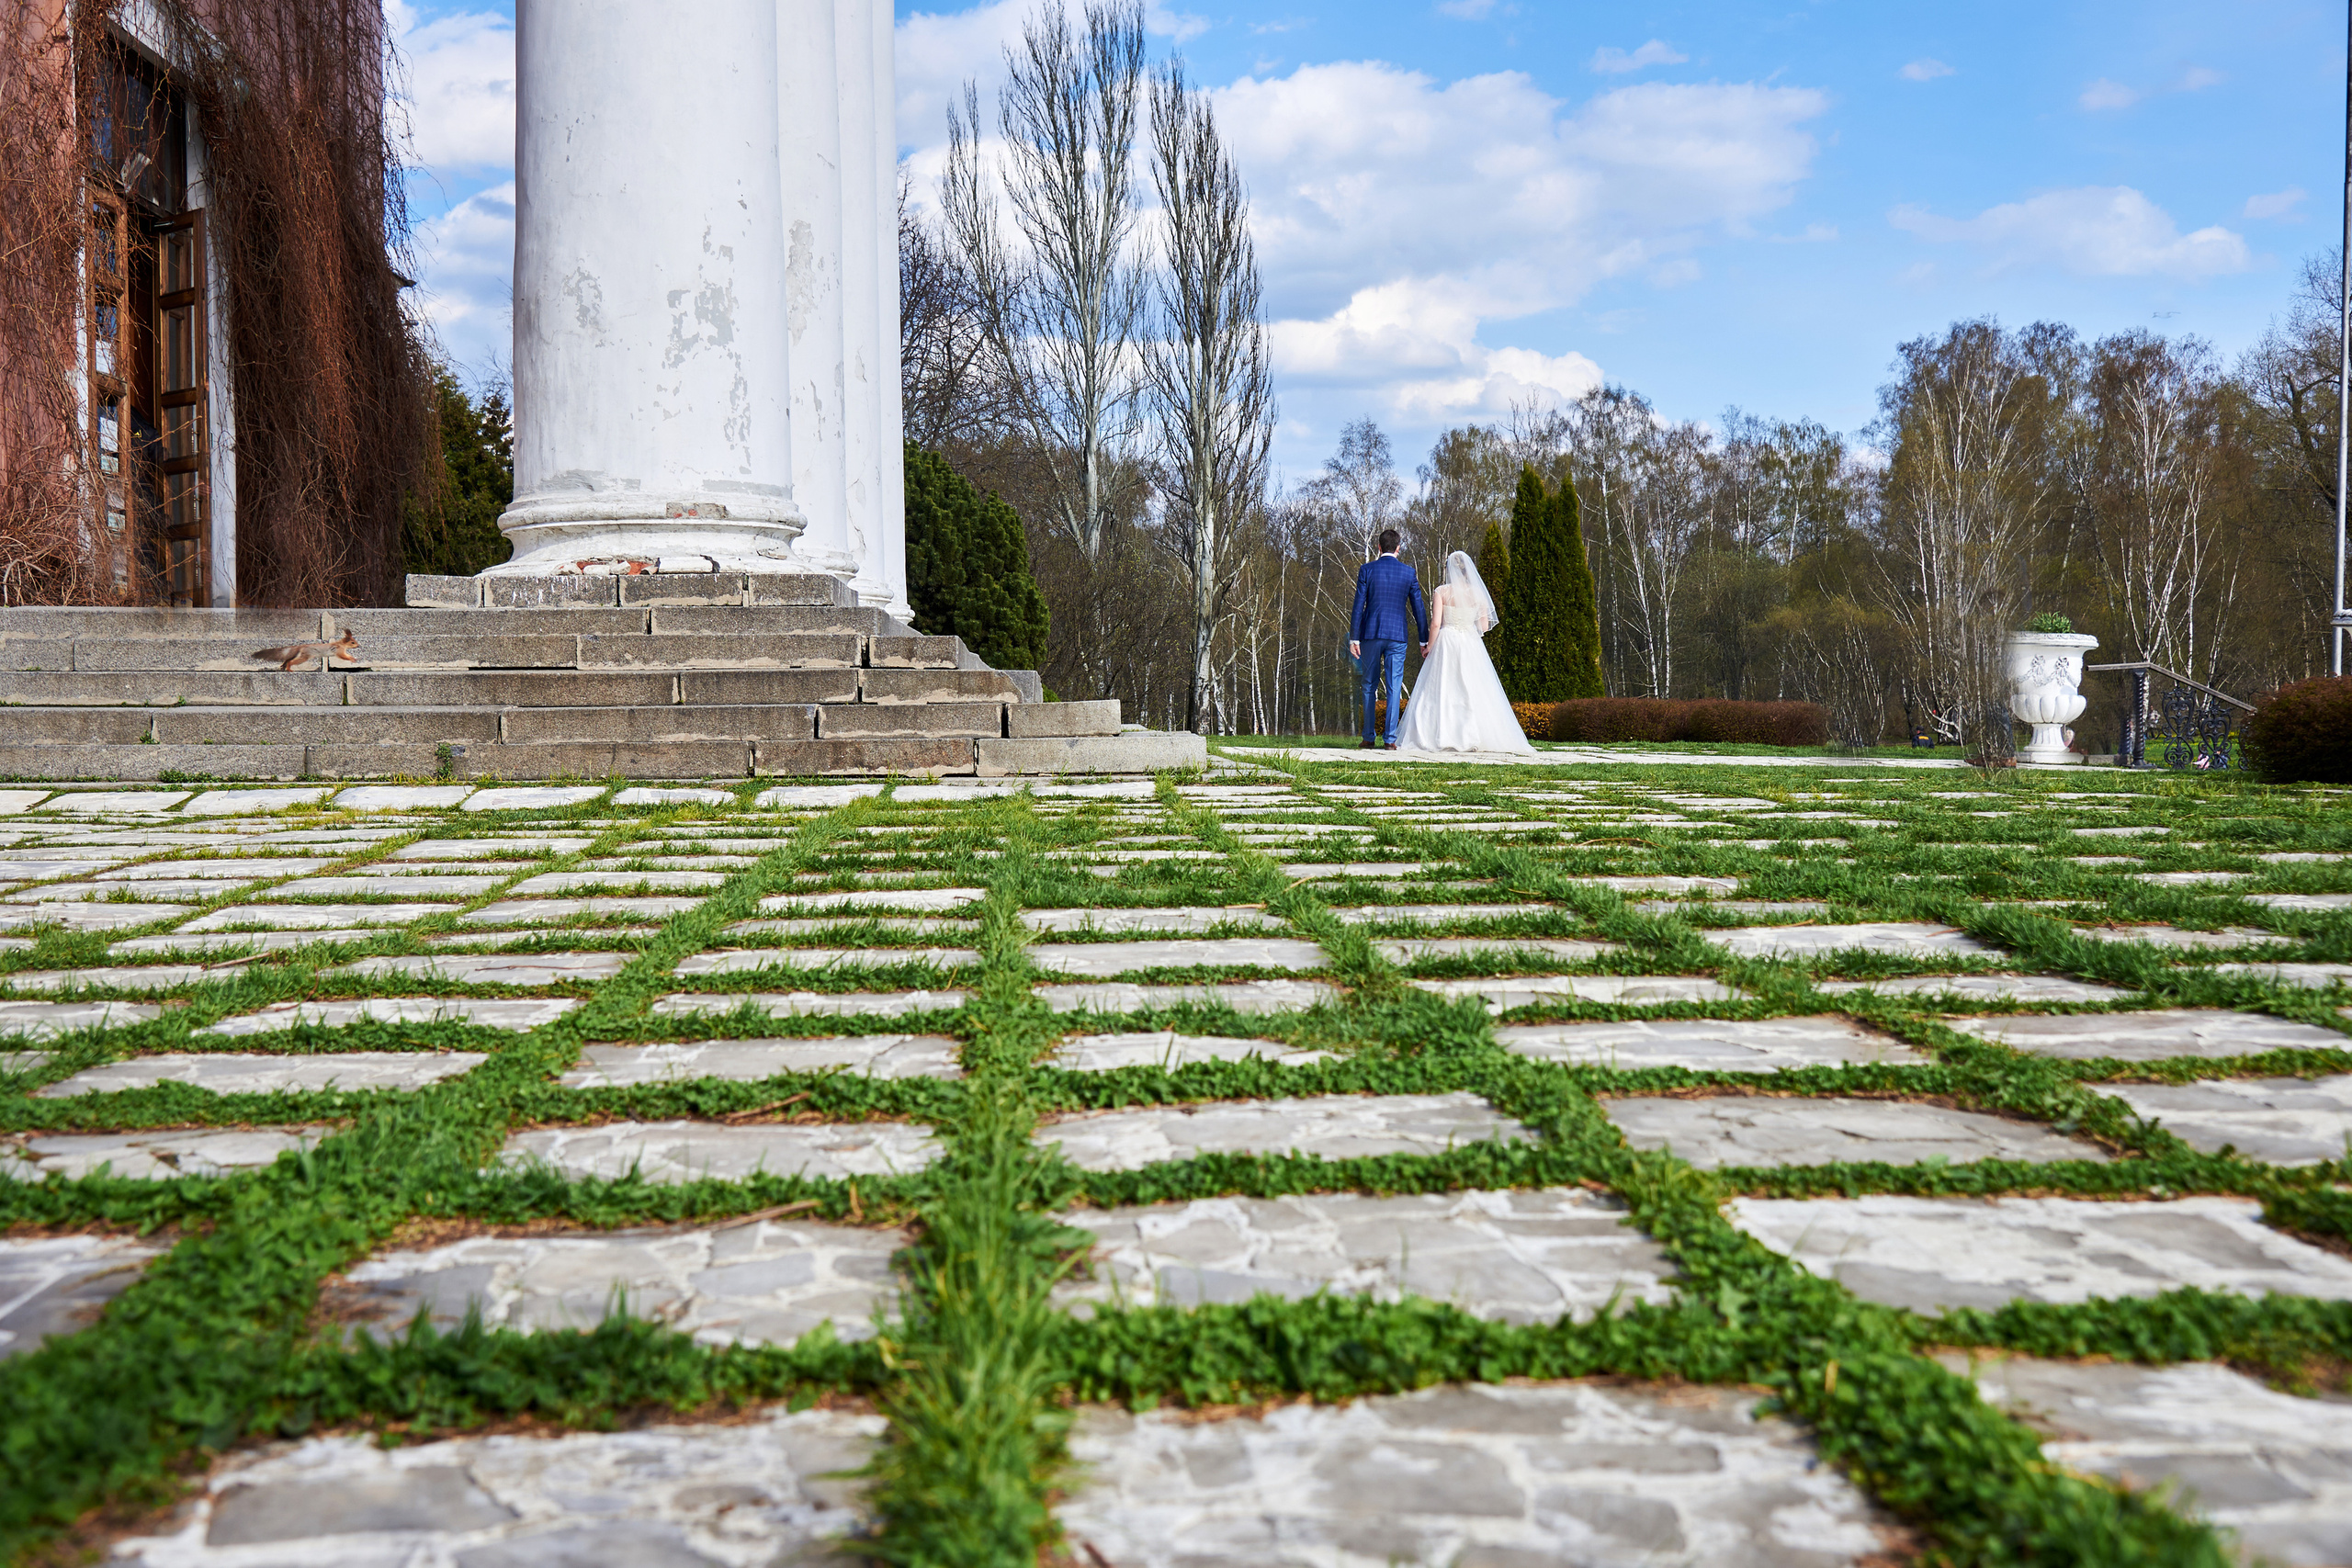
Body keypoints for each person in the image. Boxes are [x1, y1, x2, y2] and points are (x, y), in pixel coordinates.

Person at [1395, 548, 1535, 755]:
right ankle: (1474, 734)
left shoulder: (1442, 592)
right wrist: (1468, 626)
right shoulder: (1477, 593)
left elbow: (1435, 624)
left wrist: (1429, 647)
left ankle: (1440, 734)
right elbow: (1484, 626)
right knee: (1473, 687)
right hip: (1470, 642)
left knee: (1442, 688)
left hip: (1447, 641)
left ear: (1449, 569)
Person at [1349, 528, 1428, 750]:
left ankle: (1368, 738)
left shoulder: (1367, 570)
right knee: (1394, 686)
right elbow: (1419, 608)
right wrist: (1424, 640)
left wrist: (1354, 638)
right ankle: (1390, 739)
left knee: (1368, 685)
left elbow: (1358, 606)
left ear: (1379, 547)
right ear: (1398, 548)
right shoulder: (1408, 573)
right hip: (1397, 636)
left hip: (1371, 634)